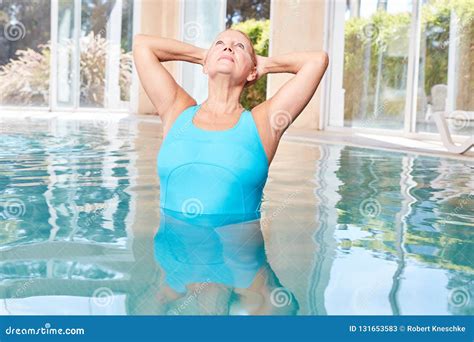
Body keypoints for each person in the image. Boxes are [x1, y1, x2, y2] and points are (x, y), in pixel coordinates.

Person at [133, 28, 329, 215]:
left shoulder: (262, 124)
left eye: (240, 47)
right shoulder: (177, 111)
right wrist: (203, 56)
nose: (228, 48)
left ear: (253, 71)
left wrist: (266, 65)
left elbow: (317, 61)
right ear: (206, 65)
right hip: (169, 249)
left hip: (238, 250)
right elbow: (142, 45)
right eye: (220, 43)